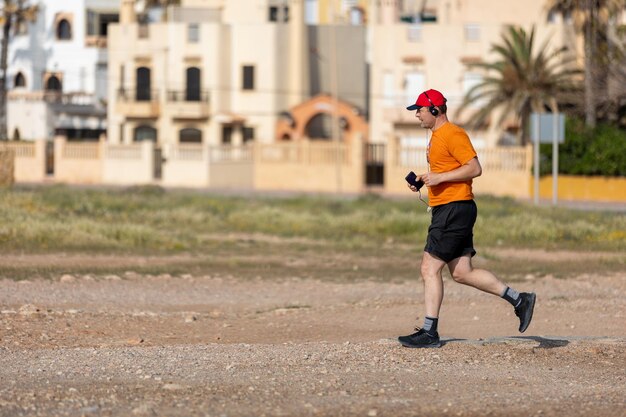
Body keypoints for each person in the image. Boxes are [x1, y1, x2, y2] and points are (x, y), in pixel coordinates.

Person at [398, 89, 536, 348]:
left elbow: (475, 168)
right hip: (450, 208)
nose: (417, 114)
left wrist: (439, 178)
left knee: (429, 268)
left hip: (454, 208)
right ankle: (520, 300)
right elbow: (449, 171)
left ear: (436, 111)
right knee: (462, 272)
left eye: (420, 109)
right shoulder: (437, 137)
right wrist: (425, 182)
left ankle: (429, 332)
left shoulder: (453, 134)